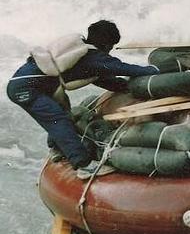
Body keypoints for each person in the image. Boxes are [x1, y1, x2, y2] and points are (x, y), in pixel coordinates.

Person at [7, 20, 159, 179]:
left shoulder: (82, 53)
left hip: (26, 83)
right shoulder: (93, 58)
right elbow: (124, 68)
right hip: (26, 88)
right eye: (111, 46)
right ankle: (83, 165)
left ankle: (57, 149)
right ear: (106, 44)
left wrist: (126, 87)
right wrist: (154, 71)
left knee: (61, 114)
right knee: (58, 118)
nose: (110, 51)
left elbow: (102, 79)